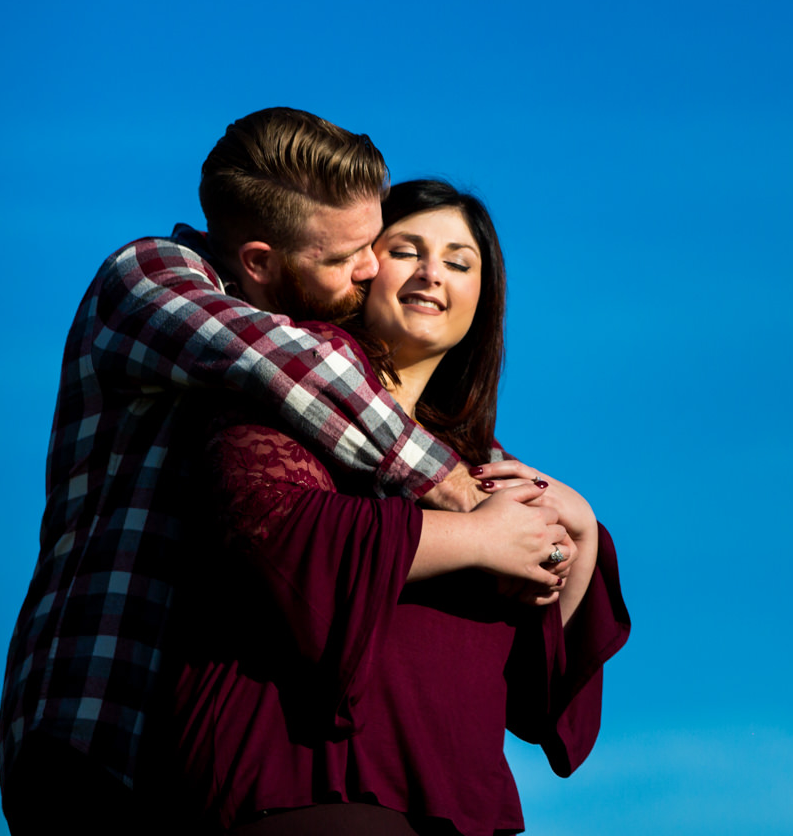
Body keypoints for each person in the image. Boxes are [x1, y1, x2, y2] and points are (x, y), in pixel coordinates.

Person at [0, 110, 566, 836]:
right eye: (350, 255)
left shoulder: (356, 403)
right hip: (98, 720)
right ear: (261, 260)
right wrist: (465, 496)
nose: (371, 270)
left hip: (177, 741)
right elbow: (300, 366)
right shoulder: (147, 278)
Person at [167, 179, 630, 834]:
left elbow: (536, 697)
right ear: (361, 267)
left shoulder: (478, 470)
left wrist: (577, 532)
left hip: (458, 806)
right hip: (306, 783)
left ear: (484, 299)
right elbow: (271, 528)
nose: (432, 273)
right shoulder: (285, 387)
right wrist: (477, 542)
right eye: (407, 249)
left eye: (459, 262)